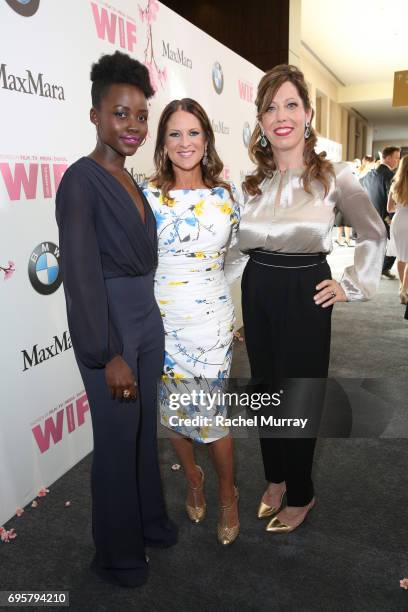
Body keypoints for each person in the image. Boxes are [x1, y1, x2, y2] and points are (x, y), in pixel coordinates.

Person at [239, 64, 386, 533]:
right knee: (263, 389)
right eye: (270, 107)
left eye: (290, 104)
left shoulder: (336, 176)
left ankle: (301, 491)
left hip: (307, 292)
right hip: (258, 289)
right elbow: (236, 249)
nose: (280, 115)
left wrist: (353, 283)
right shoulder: (254, 183)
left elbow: (372, 232)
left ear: (307, 114)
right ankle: (276, 477)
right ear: (261, 121)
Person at [55, 51, 177, 588]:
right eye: (121, 113)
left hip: (145, 323)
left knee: (141, 433)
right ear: (95, 116)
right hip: (111, 332)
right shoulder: (80, 181)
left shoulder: (134, 183)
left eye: (141, 116)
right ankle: (117, 554)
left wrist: (147, 333)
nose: (134, 126)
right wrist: (108, 353)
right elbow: (80, 279)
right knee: (114, 440)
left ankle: (148, 523)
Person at [143, 98, 240, 545]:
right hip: (162, 321)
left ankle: (227, 491)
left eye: (194, 133)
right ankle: (194, 478)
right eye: (175, 134)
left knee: (214, 417)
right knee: (175, 416)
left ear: (207, 139)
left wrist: (213, 286)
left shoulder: (226, 196)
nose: (185, 143)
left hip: (212, 323)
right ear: (163, 142)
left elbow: (239, 256)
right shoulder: (147, 195)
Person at [360, 146, 401, 279]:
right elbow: (392, 199)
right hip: (385, 217)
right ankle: (383, 268)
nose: (398, 160)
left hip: (370, 216)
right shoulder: (390, 176)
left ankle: (372, 268)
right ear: (388, 158)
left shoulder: (368, 175)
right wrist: (391, 217)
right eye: (396, 157)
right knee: (396, 244)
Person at [387, 155, 408, 304]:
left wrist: (401, 207)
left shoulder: (395, 183)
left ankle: (402, 286)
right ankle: (404, 290)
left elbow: (389, 208)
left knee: (402, 257)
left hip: (398, 221)